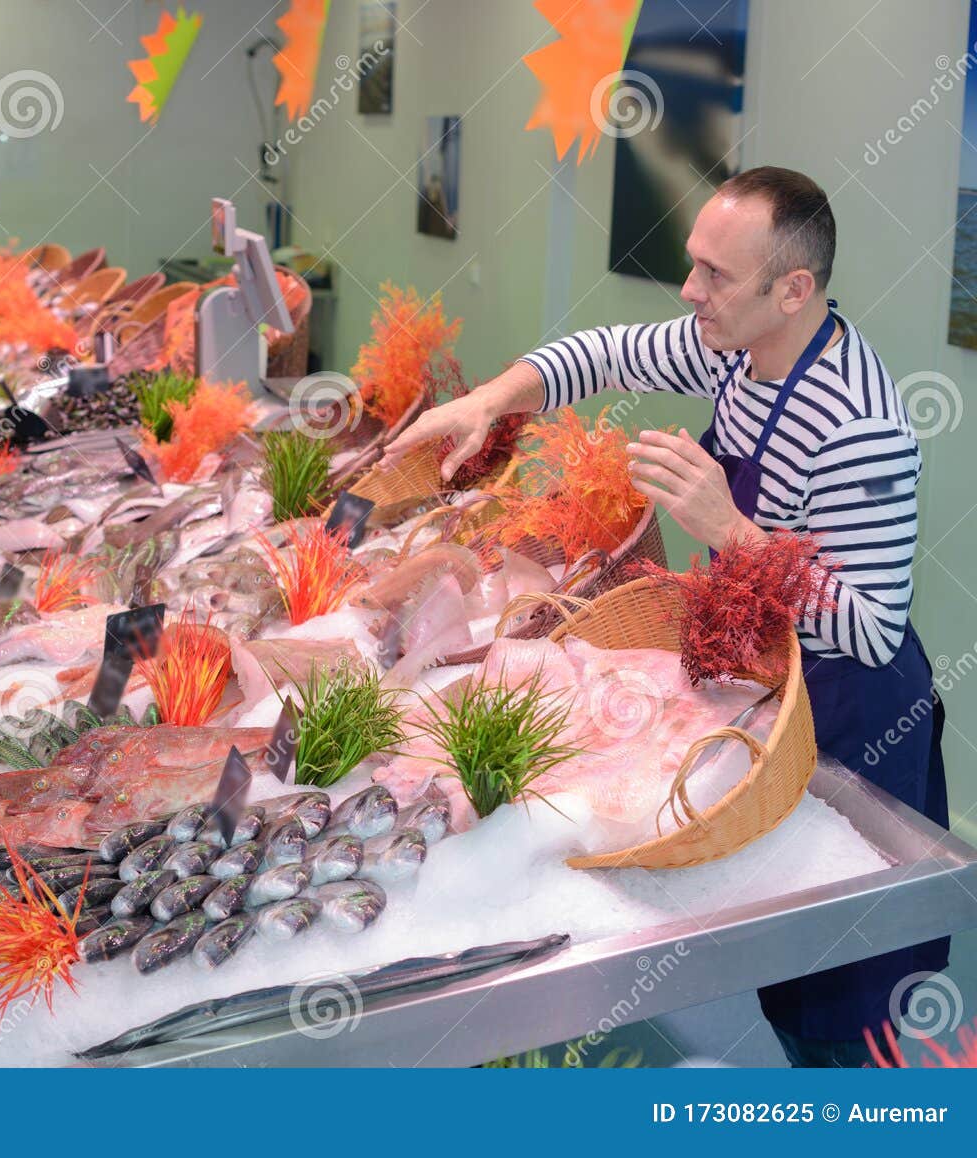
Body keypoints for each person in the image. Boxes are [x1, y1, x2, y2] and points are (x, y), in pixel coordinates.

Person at [385, 166, 949, 1068]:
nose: (691, 292)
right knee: (780, 968)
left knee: (847, 1000)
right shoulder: (732, 347)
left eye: (716, 275)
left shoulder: (860, 426)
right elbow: (603, 353)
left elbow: (874, 628)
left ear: (792, 289)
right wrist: (487, 400)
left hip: (856, 713)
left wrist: (729, 529)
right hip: (775, 690)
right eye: (694, 264)